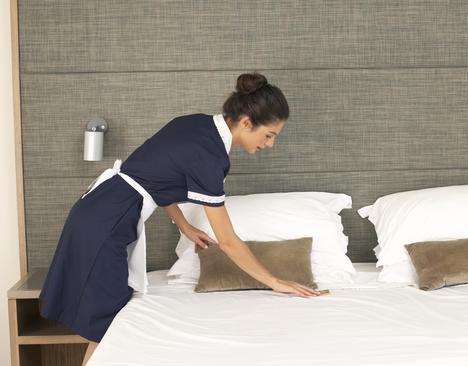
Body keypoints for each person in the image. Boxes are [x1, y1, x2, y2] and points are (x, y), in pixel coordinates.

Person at [39, 72, 319, 364]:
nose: (270, 144)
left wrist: (184, 225)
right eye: (269, 135)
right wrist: (275, 281)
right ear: (247, 122)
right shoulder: (211, 157)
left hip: (99, 208)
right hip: (106, 221)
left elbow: (152, 177)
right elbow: (228, 240)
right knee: (109, 324)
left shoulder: (195, 124)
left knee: (107, 325)